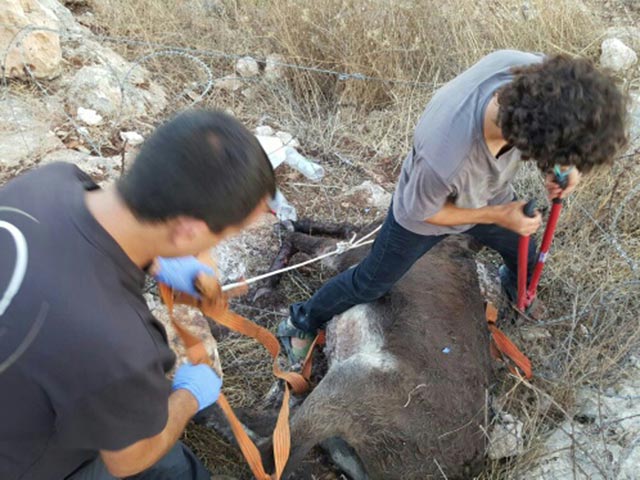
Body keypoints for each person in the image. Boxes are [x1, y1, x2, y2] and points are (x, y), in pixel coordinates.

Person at [278, 50, 628, 363]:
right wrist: (497, 215)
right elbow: (423, 212)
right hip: (426, 212)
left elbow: (566, 119)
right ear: (530, 138)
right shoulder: (446, 156)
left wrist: (563, 168)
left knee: (525, 251)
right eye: (549, 152)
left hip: (485, 191)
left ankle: (514, 286)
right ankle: (300, 320)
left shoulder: (533, 81)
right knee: (371, 282)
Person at [0, 110, 276, 479]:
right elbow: (129, 459)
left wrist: (159, 264)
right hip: (22, 463)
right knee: (172, 466)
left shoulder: (51, 182)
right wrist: (191, 394)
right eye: (224, 234)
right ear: (187, 231)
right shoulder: (119, 344)